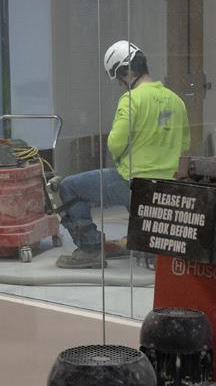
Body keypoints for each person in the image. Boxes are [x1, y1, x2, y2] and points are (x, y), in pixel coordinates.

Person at [55, 40, 190, 268]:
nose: (119, 84)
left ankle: (90, 249)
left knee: (69, 187)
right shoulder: (176, 101)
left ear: (126, 71)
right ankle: (145, 243)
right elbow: (185, 144)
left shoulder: (132, 99)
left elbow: (115, 143)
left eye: (118, 78)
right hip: (168, 184)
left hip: (133, 181)